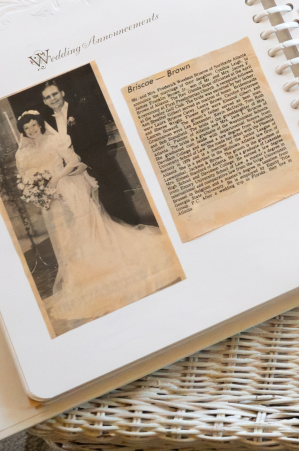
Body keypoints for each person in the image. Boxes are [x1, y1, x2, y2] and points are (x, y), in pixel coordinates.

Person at [14, 111, 182, 331]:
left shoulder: (55, 140)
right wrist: (38, 191)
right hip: (50, 198)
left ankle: (100, 267)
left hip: (68, 186)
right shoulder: (22, 154)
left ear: (40, 125)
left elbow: (74, 160)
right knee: (64, 236)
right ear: (23, 131)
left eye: (34, 125)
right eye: (27, 128)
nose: (32, 130)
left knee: (84, 227)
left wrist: (57, 176)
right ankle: (77, 277)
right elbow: (26, 177)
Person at [40, 81, 143, 227]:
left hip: (98, 166)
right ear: (45, 101)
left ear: (62, 93)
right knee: (98, 217)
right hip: (76, 175)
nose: (53, 98)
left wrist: (85, 163)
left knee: (117, 208)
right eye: (48, 97)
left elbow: (100, 137)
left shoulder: (82, 109)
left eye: (55, 94)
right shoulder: (49, 122)